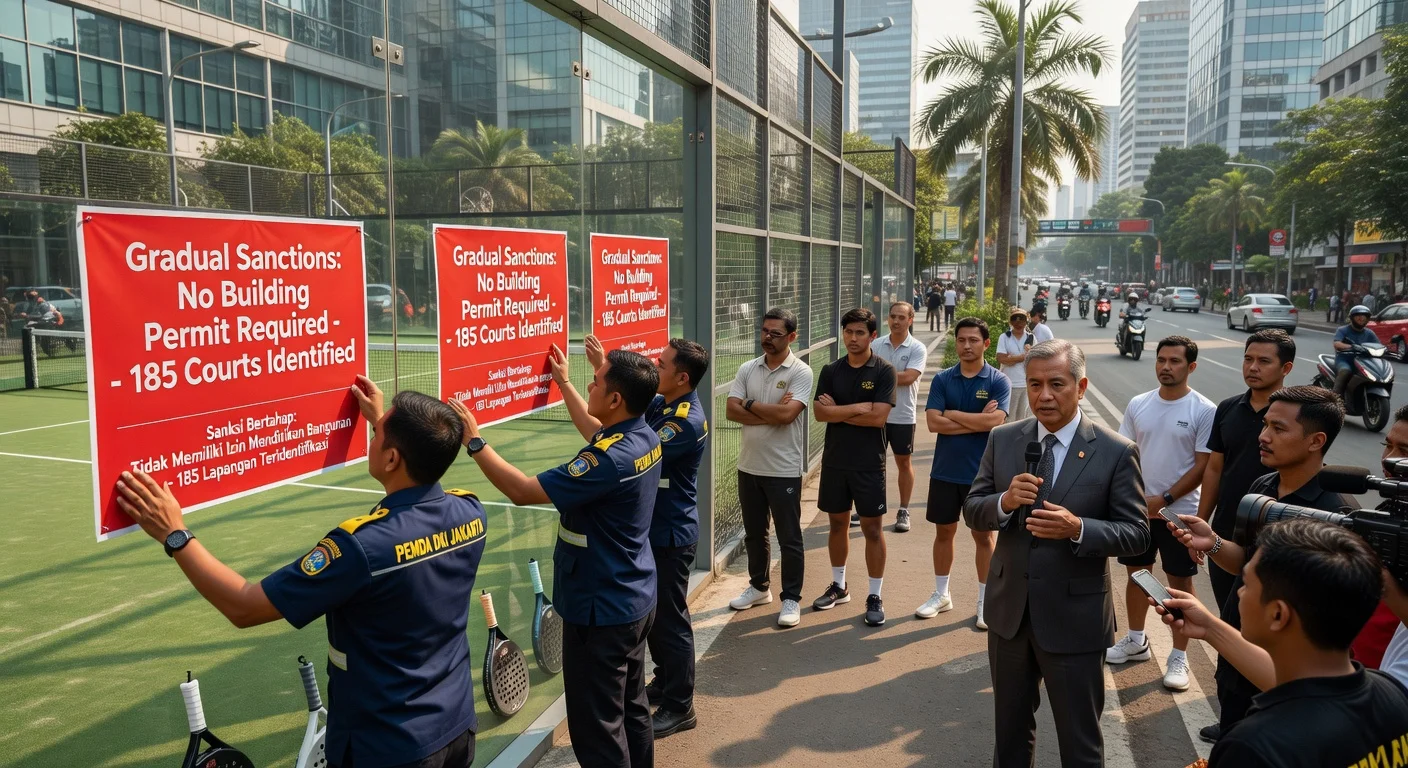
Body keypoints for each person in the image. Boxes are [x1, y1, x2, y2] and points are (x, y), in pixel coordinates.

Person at [116, 377, 487, 768]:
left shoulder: (361, 547)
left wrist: (175, 534)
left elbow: (245, 606)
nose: (371, 438)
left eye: (376, 434)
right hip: (455, 727)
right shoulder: (470, 513)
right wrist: (383, 422)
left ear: (393, 458)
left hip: (387, 745)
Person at [450, 351, 662, 768]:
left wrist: (475, 441)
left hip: (600, 609)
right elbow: (597, 431)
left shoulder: (607, 460)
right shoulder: (642, 435)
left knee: (597, 728)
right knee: (631, 707)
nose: (590, 385)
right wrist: (563, 384)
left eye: (596, 381)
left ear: (616, 398)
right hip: (634, 597)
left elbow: (524, 491)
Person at [964, 340, 1150, 768]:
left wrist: (1079, 528)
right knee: (1009, 737)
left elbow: (1137, 533)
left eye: (1056, 384)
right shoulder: (1004, 438)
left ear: (1081, 386)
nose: (1043, 395)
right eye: (1034, 384)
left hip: (1075, 621)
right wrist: (1004, 503)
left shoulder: (1116, 451)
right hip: (1010, 614)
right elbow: (974, 508)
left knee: (1080, 742)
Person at [548, 336, 710, 739]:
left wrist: (571, 386)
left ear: (682, 377)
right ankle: (666, 682)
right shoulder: (663, 404)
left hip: (669, 534)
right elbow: (619, 417)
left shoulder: (682, 423)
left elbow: (604, 434)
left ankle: (680, 704)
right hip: (653, 531)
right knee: (653, 627)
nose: (656, 368)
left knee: (669, 622)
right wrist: (603, 368)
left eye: (662, 365)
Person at [1174, 385, 1355, 745]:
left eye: (1278, 428)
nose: (1263, 436)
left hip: (1283, 674)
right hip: (1237, 648)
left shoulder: (1338, 515)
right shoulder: (1262, 488)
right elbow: (1244, 561)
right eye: (1265, 425)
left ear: (1316, 441)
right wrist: (1213, 543)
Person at [1152, 519, 1408, 768]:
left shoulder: (1254, 747)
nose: (1239, 591)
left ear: (1278, 614)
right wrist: (1208, 627)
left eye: (1247, 584)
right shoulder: (1394, 696)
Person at [1105, 336, 1216, 692]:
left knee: (1179, 584)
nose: (1166, 367)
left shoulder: (1203, 409)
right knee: (1138, 575)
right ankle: (1136, 639)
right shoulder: (1139, 403)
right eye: (1162, 360)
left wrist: (1164, 498)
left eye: (1175, 361)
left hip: (1177, 514)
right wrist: (1132, 499)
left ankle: (1179, 655)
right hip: (1138, 510)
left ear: (1191, 367)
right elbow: (1125, 454)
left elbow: (1203, 467)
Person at [920, 317, 1009, 627]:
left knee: (983, 537)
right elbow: (933, 423)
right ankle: (941, 594)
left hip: (982, 475)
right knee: (944, 533)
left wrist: (953, 415)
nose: (967, 345)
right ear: (955, 342)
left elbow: (994, 421)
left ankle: (986, 601)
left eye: (973, 340)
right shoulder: (943, 379)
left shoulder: (998, 380)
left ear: (986, 344)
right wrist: (974, 420)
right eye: (961, 340)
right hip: (944, 471)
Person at [725, 308, 813, 627]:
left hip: (783, 469)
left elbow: (788, 417)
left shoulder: (801, 372)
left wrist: (754, 406)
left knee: (789, 537)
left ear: (792, 337)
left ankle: (791, 598)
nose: (767, 338)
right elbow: (731, 411)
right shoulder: (748, 368)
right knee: (754, 533)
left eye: (775, 333)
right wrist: (770, 411)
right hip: (749, 466)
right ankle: (759, 587)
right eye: (764, 331)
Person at [1198, 331, 1295, 612]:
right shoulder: (1228, 408)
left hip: (1273, 532)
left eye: (1264, 361)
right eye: (1248, 359)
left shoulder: (1295, 414)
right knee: (1228, 615)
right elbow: (1215, 468)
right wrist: (1201, 522)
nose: (1253, 368)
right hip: (1227, 529)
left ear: (1285, 368)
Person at [812, 308, 897, 626]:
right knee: (837, 525)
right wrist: (857, 408)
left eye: (860, 332)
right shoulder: (831, 370)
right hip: (835, 461)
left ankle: (875, 594)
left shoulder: (884, 371)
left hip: (868, 464)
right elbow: (820, 415)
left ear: (873, 336)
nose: (853, 338)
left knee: (873, 530)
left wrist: (840, 411)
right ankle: (839, 586)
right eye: (848, 331)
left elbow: (878, 418)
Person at [870, 302, 929, 533]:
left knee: (903, 463)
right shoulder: (876, 344)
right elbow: (866, 372)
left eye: (901, 317)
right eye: (893, 316)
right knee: (872, 464)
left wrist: (880, 375)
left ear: (910, 320)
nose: (896, 321)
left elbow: (909, 378)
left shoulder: (917, 348)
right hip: (876, 415)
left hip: (902, 415)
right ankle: (871, 506)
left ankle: (904, 509)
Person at [996, 307, 1035, 422]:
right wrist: (1023, 357)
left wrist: (1011, 358)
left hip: (1025, 384)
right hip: (1009, 383)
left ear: (1026, 321)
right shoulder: (1004, 337)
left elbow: (1034, 359)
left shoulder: (1031, 338)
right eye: (1014, 319)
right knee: (1009, 418)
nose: (1018, 323)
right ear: (1010, 321)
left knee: (1023, 418)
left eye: (1022, 319)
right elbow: (1001, 358)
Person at [1333, 305, 1380, 396]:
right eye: (1358, 316)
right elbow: (1337, 343)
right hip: (1345, 360)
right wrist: (1351, 346)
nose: (1361, 318)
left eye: (1364, 316)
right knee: (1345, 371)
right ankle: (1334, 397)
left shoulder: (1369, 333)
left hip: (1364, 362)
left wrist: (1385, 349)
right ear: (1352, 318)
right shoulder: (1343, 330)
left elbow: (1378, 345)